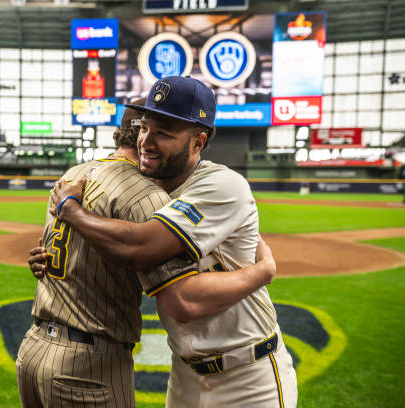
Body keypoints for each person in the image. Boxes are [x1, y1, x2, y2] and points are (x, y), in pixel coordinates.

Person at [47, 76, 298, 407]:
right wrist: (49, 255)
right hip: (184, 376)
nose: (146, 142)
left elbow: (160, 274)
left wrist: (72, 212)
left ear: (198, 142)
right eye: (145, 128)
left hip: (249, 376)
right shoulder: (145, 191)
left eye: (164, 133)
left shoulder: (223, 184)